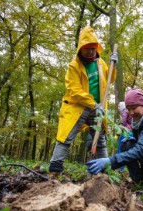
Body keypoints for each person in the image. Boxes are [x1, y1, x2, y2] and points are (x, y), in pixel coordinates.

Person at [48, 26, 117, 176]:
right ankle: (54, 171)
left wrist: (114, 65)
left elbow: (110, 79)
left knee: (100, 139)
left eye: (93, 48)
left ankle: (104, 172)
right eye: (87, 48)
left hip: (97, 107)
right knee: (65, 137)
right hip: (78, 106)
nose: (90, 51)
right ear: (80, 48)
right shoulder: (74, 66)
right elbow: (74, 90)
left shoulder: (100, 63)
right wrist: (93, 104)